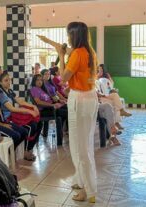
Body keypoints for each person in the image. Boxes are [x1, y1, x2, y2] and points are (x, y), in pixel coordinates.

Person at [38, 22, 98, 203]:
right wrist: (50, 42)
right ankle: (81, 180)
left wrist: (60, 56)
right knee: (83, 143)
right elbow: (65, 48)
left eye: (68, 34)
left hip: (79, 100)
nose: (67, 38)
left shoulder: (77, 54)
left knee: (80, 148)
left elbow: (62, 78)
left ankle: (89, 191)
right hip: (89, 97)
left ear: (74, 36)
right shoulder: (88, 51)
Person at [0, 71, 42, 161]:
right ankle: (25, 152)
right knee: (32, 126)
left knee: (39, 123)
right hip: (8, 119)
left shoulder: (9, 91)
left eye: (9, 80)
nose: (9, 82)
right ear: (0, 82)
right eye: (6, 80)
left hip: (13, 116)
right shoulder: (1, 94)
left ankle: (30, 148)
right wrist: (29, 111)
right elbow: (12, 108)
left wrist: (32, 106)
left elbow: (20, 101)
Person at [30, 74, 68, 143]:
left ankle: (63, 132)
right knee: (66, 113)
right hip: (44, 111)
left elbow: (51, 97)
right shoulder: (34, 89)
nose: (40, 82)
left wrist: (59, 101)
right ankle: (62, 136)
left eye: (41, 80)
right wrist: (52, 105)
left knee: (67, 108)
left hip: (51, 108)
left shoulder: (42, 89)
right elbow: (38, 102)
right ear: (34, 81)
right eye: (37, 80)